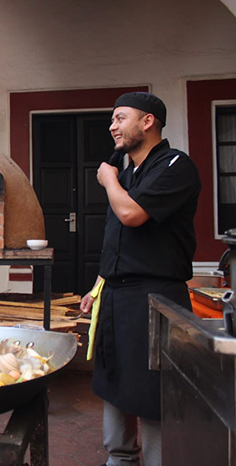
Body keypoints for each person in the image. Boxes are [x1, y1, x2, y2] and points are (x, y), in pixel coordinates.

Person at [80, 92, 201, 466]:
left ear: (148, 121)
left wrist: (108, 181)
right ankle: (119, 458)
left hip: (155, 297)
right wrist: (97, 286)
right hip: (117, 296)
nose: (112, 126)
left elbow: (132, 215)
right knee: (113, 380)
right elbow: (118, 238)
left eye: (120, 118)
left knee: (152, 390)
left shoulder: (175, 165)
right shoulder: (127, 172)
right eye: (112, 120)